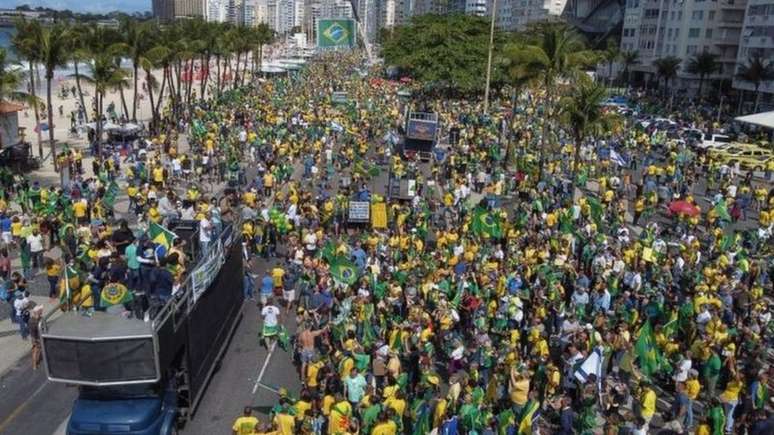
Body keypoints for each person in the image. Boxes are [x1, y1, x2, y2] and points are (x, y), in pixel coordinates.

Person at [29, 305, 44, 369]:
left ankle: (38, 360)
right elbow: (32, 332)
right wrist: (34, 340)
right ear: (38, 312)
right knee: (36, 351)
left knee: (39, 350)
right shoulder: (32, 321)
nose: (42, 311)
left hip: (39, 337)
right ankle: (34, 364)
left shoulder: (39, 318)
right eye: (41, 310)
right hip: (37, 338)